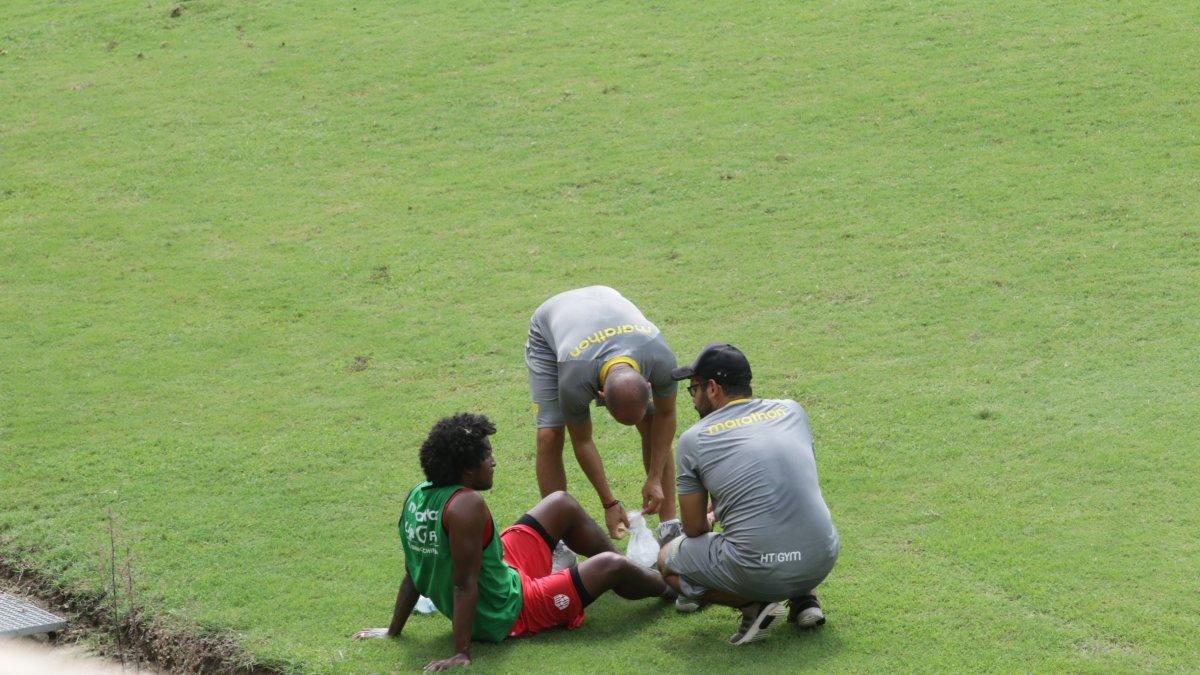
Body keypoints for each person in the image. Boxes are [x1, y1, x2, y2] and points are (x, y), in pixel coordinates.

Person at [354, 413, 674, 671]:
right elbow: (464, 584)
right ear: (466, 469)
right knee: (610, 566)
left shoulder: (418, 494)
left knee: (560, 502)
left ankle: (633, 574)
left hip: (504, 572)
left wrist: (393, 630)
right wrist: (461, 653)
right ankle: (672, 586)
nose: (494, 462)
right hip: (509, 610)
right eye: (487, 457)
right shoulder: (465, 505)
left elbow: (414, 571)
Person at [657, 343, 839, 645]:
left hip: (761, 569)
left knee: (667, 559)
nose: (692, 399)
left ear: (713, 388)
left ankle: (754, 607)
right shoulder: (791, 410)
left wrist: (711, 518)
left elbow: (693, 529)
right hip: (821, 558)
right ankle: (805, 599)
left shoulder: (695, 440)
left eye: (694, 389)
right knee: (783, 507)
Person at [525, 286, 681, 569]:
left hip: (606, 303)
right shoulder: (574, 381)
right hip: (554, 328)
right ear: (599, 397)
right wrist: (609, 503)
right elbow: (582, 442)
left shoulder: (661, 359)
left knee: (652, 423)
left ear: (648, 384)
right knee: (550, 434)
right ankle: (556, 543)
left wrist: (655, 478)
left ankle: (670, 529)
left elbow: (666, 417)